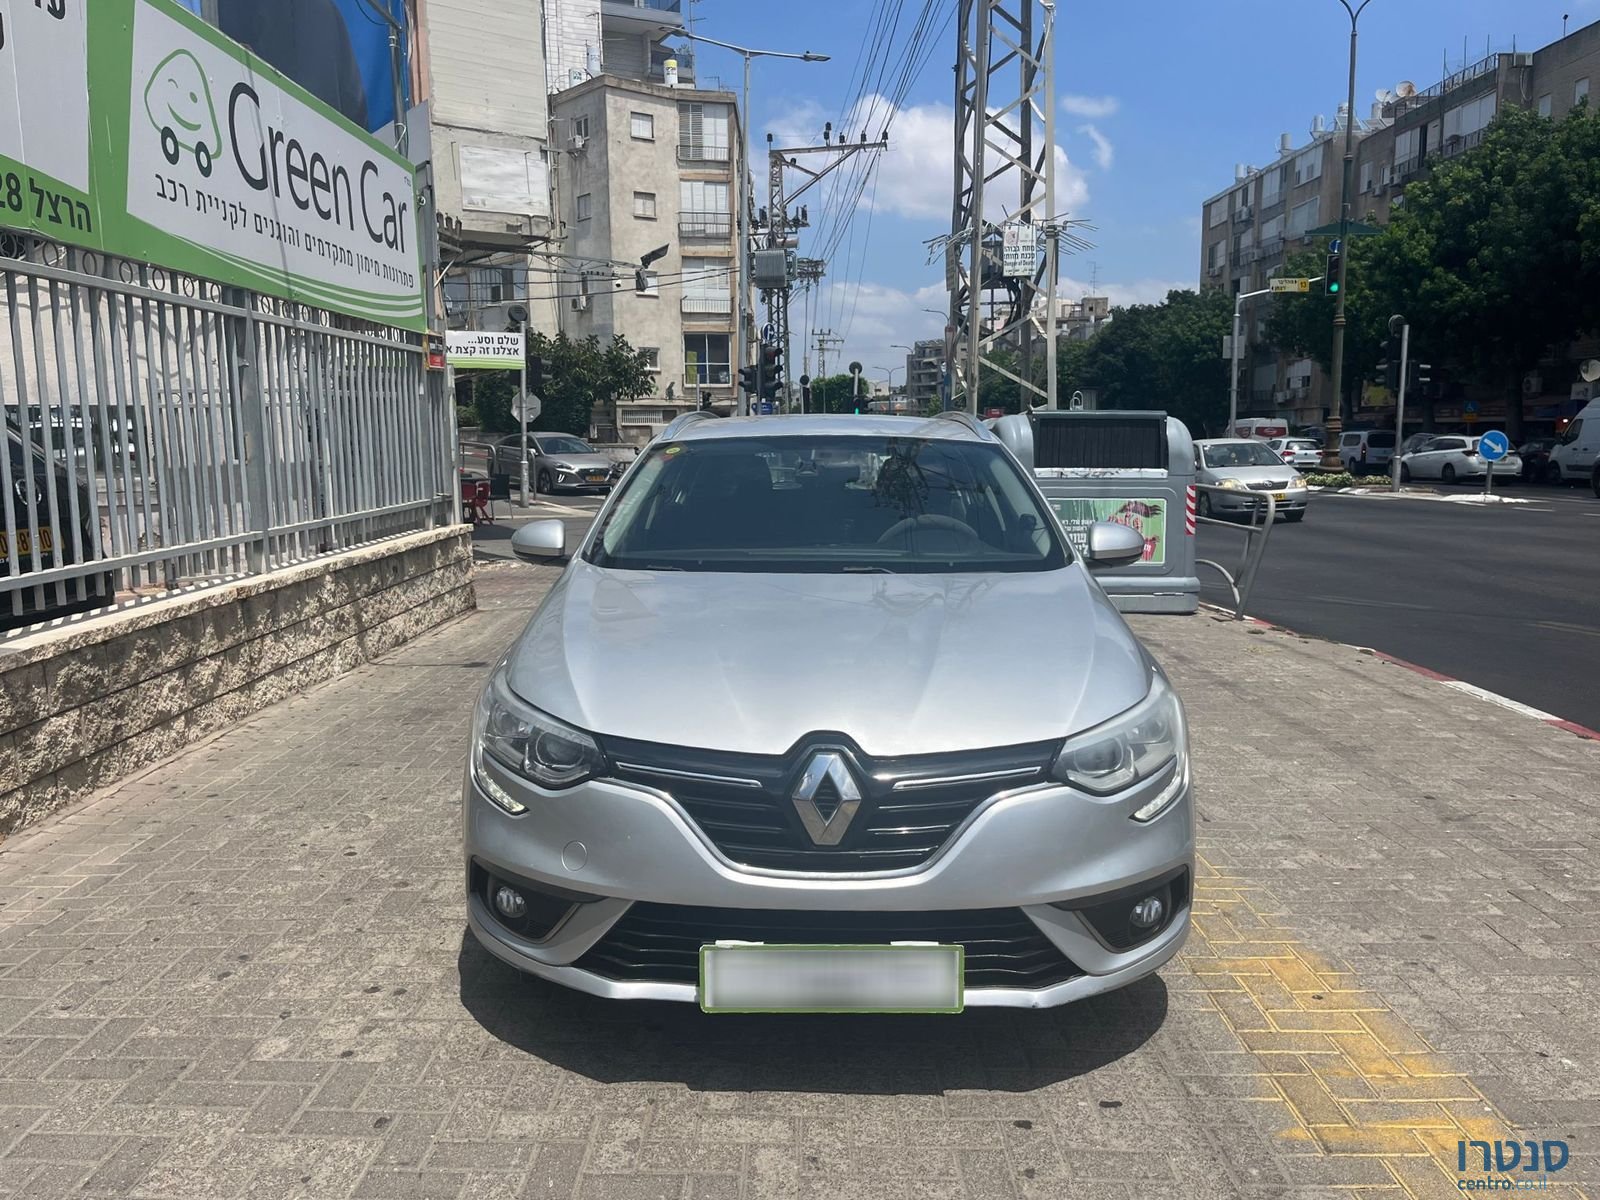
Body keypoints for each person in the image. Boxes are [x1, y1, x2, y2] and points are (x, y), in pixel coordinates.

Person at [218, 0, 369, 129]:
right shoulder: (327, 12)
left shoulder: (326, 13)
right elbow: (356, 119)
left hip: (263, 142)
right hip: (315, 151)